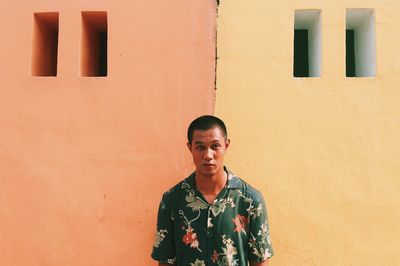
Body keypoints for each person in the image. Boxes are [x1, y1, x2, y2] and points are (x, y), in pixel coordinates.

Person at [151, 115, 273, 266]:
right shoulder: (172, 201)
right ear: (190, 148)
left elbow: (260, 261)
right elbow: (165, 261)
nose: (208, 155)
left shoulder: (251, 200)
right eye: (200, 147)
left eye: (215, 146)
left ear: (226, 145)